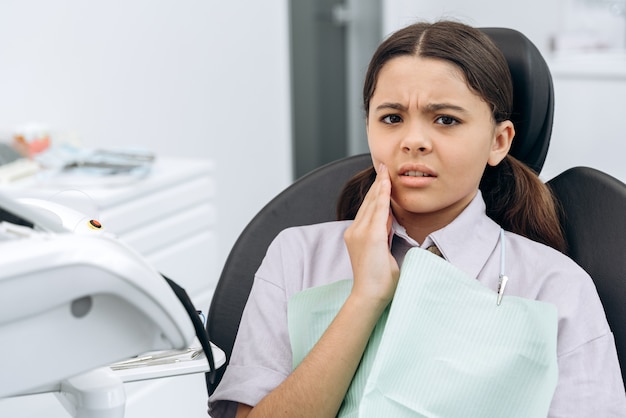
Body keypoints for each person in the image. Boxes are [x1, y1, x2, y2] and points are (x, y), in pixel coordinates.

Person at [209, 20, 626, 417]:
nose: (413, 141)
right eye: (391, 118)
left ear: (499, 141)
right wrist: (364, 299)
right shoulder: (297, 256)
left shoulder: (556, 287)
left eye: (446, 119)